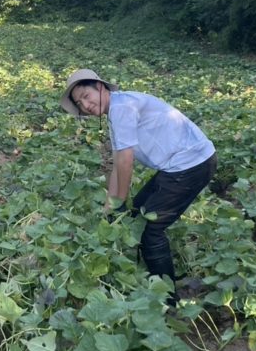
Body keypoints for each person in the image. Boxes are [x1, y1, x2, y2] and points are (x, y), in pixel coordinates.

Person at [60, 69, 216, 290]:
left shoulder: (122, 108)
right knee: (137, 215)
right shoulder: (116, 110)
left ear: (101, 87)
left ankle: (167, 297)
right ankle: (152, 278)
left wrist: (120, 201)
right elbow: (116, 164)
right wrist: (110, 207)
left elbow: (126, 161)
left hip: (192, 164)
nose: (85, 105)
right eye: (79, 103)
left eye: (86, 96)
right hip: (179, 165)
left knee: (150, 228)